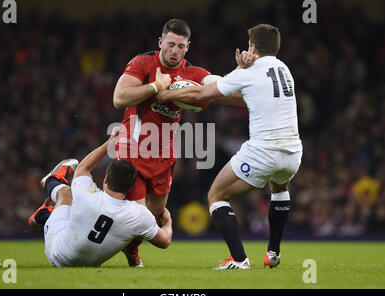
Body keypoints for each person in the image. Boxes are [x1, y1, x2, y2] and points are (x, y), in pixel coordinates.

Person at [157, 24, 302, 269]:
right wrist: (241, 67)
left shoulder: (250, 71)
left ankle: (238, 259)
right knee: (279, 188)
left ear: (253, 47)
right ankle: (273, 252)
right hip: (292, 152)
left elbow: (202, 94)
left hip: (263, 151)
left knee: (216, 195)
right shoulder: (284, 69)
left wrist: (167, 95)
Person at [112, 18, 228, 266]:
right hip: (134, 147)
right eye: (171, 44)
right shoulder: (144, 62)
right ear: (160, 42)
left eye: (181, 46)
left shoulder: (193, 73)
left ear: (188, 47)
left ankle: (131, 250)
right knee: (138, 214)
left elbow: (221, 86)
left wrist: (244, 75)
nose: (175, 51)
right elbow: (120, 98)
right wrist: (156, 85)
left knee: (153, 213)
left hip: (164, 153)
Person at [30, 128, 173, 267]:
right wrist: (168, 221)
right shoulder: (140, 215)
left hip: (57, 254)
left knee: (66, 194)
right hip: (89, 265)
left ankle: (51, 181)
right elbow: (165, 241)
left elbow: (82, 168)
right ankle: (47, 213)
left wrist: (109, 143)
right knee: (76, 207)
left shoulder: (87, 195)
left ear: (105, 180)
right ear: (130, 188)